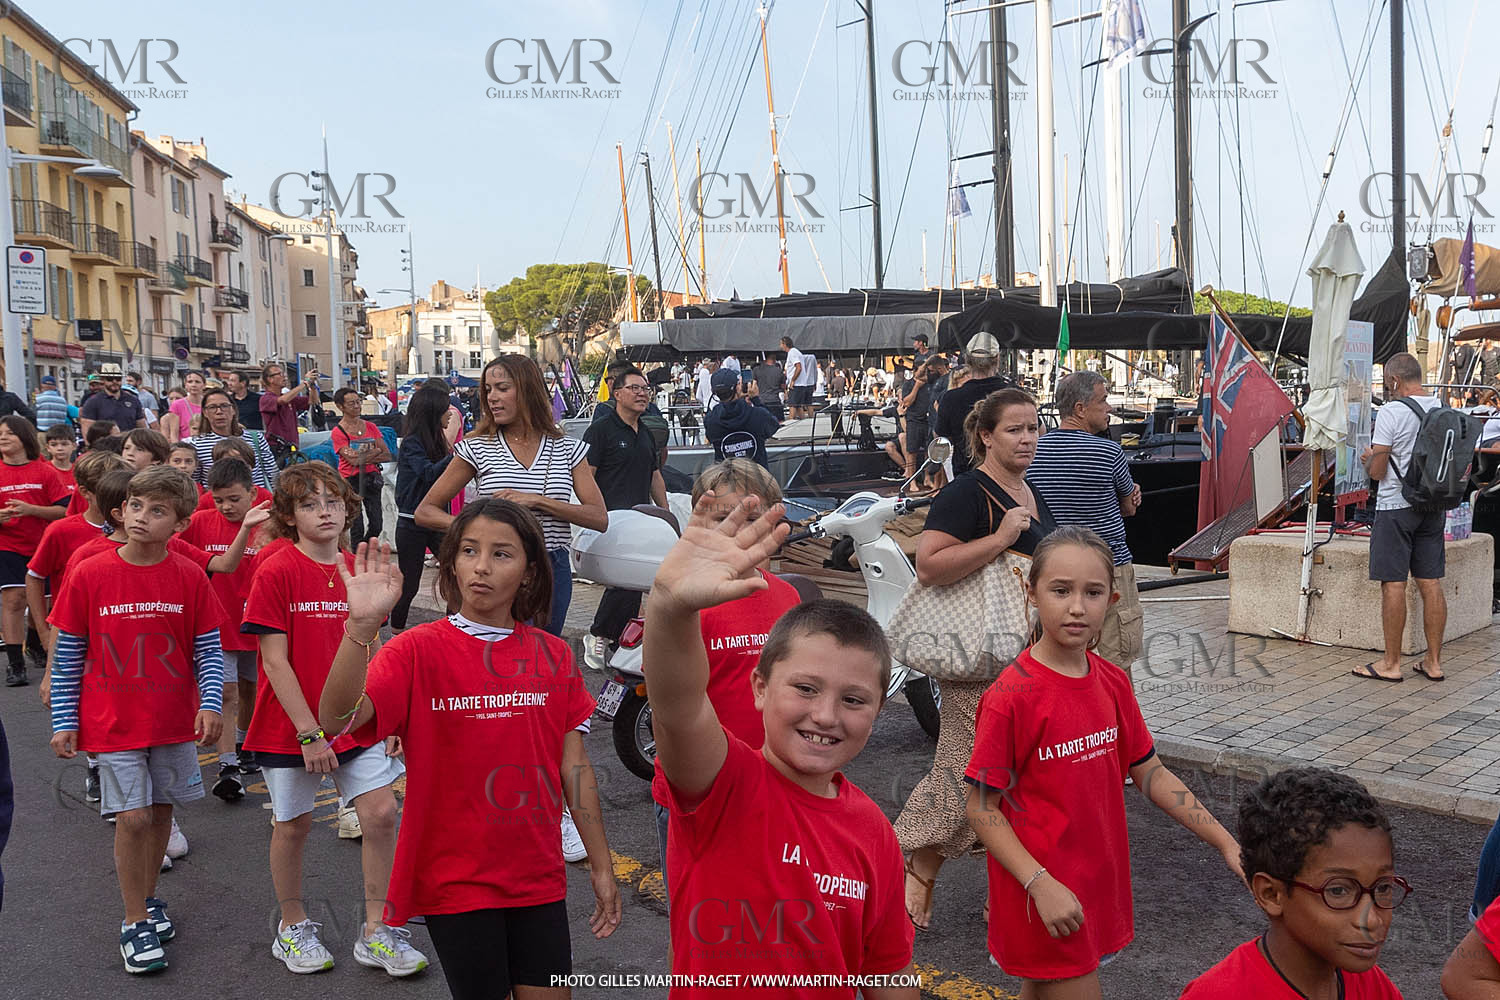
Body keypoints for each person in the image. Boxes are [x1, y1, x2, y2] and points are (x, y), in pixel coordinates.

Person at [317, 501, 622, 999]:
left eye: (501, 554)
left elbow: (576, 768)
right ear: (453, 564)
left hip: (537, 875)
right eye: (469, 551)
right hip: (454, 878)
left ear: (528, 572)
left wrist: (602, 865)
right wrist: (360, 630)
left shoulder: (553, 654)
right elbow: (338, 718)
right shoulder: (414, 650)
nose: (481, 566)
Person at [646, 491, 917, 996]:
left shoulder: (874, 832)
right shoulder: (722, 786)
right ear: (760, 688)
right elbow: (678, 705)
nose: (826, 715)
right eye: (806, 689)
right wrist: (669, 605)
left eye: (854, 700)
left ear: (880, 710)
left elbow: (887, 969)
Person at [967, 526, 1243, 997]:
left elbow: (1151, 772)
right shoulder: (1010, 697)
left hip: (1093, 888)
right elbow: (981, 808)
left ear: (1112, 600)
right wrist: (1040, 883)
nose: (1077, 606)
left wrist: (1223, 840)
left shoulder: (1112, 681)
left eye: (1092, 592)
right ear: (1029, 591)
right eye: (1061, 590)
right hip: (1044, 895)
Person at [240, 462, 424, 977]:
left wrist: (389, 716)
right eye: (309, 503)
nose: (324, 511)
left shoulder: (354, 564)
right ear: (289, 514)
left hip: (356, 721)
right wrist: (309, 733)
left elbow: (376, 646)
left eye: (333, 501)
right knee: (294, 825)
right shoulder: (276, 568)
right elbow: (273, 660)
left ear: (348, 508)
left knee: (382, 814)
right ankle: (292, 927)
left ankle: (376, 930)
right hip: (293, 725)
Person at [46, 466, 226, 974]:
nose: (143, 517)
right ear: (120, 509)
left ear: (181, 524)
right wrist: (65, 718)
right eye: (136, 506)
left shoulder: (189, 575)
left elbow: (207, 649)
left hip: (171, 721)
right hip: (112, 722)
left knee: (163, 813)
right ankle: (133, 920)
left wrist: (210, 702)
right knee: (134, 817)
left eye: (158, 510)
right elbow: (69, 655)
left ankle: (148, 902)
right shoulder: (91, 572)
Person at [897, 388, 1058, 929]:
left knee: (1022, 780)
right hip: (978, 659)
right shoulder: (968, 493)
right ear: (985, 436)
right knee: (967, 773)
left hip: (1030, 656)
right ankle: (918, 862)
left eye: (1033, 427)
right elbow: (930, 564)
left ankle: (1007, 889)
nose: (1028, 438)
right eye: (1015, 429)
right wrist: (1000, 538)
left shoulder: (1032, 489)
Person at [646, 461, 804, 901]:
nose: (739, 531)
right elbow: (670, 699)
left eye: (753, 518)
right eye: (723, 518)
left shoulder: (788, 596)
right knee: (699, 917)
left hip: (776, 790)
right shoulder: (685, 603)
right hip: (702, 793)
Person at [416, 355, 608, 638]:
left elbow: (599, 518)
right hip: (495, 565)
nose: (492, 398)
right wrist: (476, 531)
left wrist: (537, 501)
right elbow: (425, 511)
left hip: (551, 564)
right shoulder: (478, 447)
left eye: (502, 388)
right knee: (491, 654)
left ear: (528, 389)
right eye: (488, 390)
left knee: (542, 657)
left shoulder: (568, 448)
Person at [1185, 769, 1406, 999]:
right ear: (1271, 894)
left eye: (1383, 887)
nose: (1372, 920)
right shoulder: (1220, 994)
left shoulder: (1372, 986)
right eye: (1338, 891)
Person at [1027, 371, 1145, 678]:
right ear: (1080, 409)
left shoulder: (1034, 453)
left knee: (1060, 665)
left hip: (1056, 573)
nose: (1109, 408)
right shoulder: (1110, 452)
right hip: (1108, 571)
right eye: (1103, 400)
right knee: (1115, 668)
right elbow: (1128, 507)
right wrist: (1132, 499)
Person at [180, 458, 274, 803]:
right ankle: (227, 765)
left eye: (234, 498)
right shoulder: (201, 522)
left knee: (252, 690)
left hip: (256, 624)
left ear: (252, 493)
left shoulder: (270, 523)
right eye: (219, 500)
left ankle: (243, 741)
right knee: (226, 691)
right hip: (215, 625)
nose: (226, 507)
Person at [1355, 352, 1446, 683]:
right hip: (1433, 504)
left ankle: (1391, 664)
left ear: (1393, 380)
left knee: (1393, 582)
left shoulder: (1392, 412)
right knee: (1430, 582)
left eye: (1387, 381)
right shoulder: (1441, 406)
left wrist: (1368, 459)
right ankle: (1433, 663)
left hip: (1396, 507)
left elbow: (1378, 473)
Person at [582, 367, 667, 647]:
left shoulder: (646, 432)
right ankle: (598, 634)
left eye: (645, 389)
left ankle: (617, 637)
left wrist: (665, 516)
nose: (642, 394)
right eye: (634, 388)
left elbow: (655, 475)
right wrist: (591, 512)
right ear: (617, 394)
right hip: (611, 519)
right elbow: (585, 475)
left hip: (641, 520)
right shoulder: (601, 431)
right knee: (623, 581)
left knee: (635, 580)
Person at [0, 417, 70, 686]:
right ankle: (15, 664)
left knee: (42, 601)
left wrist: (32, 510)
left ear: (24, 437)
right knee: (14, 599)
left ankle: (35, 642)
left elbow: (64, 510)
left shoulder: (44, 471)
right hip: (8, 546)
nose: (3, 437)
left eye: (9, 433)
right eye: (0, 434)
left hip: (42, 546)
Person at [391, 385, 459, 632]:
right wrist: (457, 455)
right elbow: (428, 473)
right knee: (409, 584)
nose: (451, 414)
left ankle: (455, 626)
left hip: (437, 522)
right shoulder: (412, 443)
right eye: (446, 410)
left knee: (456, 572)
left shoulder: (437, 440)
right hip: (411, 522)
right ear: (432, 412)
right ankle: (396, 630)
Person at [935, 333, 1010, 476]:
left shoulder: (951, 398)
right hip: (1007, 477)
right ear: (997, 359)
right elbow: (1039, 433)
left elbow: (941, 438)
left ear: (967, 360)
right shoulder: (1015, 395)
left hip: (966, 478)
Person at [331, 386, 392, 544]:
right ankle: (357, 555)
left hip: (371, 478)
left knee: (376, 523)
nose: (357, 406)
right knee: (355, 523)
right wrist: (374, 453)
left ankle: (364, 549)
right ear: (340, 406)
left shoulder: (370, 426)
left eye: (359, 402)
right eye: (352, 403)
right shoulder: (339, 432)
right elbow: (353, 461)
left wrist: (362, 456)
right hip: (350, 479)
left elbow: (386, 454)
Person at [190, 387, 278, 489]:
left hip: (258, 500)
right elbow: (195, 483)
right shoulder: (197, 444)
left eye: (224, 406)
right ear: (205, 412)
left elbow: (272, 473)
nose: (219, 411)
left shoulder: (256, 438)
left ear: (233, 410)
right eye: (212, 407)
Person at [703, 367, 780, 467]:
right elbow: (773, 425)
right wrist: (756, 399)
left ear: (714, 391)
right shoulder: (756, 414)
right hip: (758, 478)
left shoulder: (710, 420)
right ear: (737, 387)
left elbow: (710, 437)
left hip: (726, 479)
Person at [259, 363, 316, 468]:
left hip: (292, 447)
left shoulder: (290, 399)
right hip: (277, 448)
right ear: (270, 379)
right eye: (279, 374)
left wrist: (312, 386)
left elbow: (312, 402)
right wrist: (305, 382)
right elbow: (283, 400)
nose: (284, 376)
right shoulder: (266, 399)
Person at [80, 364, 146, 435]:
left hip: (128, 443)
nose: (114, 382)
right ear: (103, 380)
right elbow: (87, 428)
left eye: (118, 379)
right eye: (110, 379)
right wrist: (89, 445)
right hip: (104, 444)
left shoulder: (133, 400)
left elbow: (141, 427)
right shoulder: (93, 402)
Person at [161, 372, 205, 442]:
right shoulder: (177, 405)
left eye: (197, 382)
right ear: (186, 385)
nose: (193, 385)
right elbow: (174, 434)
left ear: (204, 385)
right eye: (190, 382)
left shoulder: (208, 403)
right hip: (186, 446)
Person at [782, 335, 816, 419]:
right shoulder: (797, 352)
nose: (780, 346)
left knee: (792, 405)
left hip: (796, 384)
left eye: (781, 344)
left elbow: (798, 367)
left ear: (784, 344)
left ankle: (791, 421)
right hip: (802, 384)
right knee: (798, 406)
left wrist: (793, 380)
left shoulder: (792, 353)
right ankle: (804, 423)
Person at [43, 424, 77, 507]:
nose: (59, 448)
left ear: (74, 446)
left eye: (64, 444)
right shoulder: (43, 470)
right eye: (54, 445)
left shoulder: (80, 471)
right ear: (48, 448)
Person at [753, 354, 786, 421]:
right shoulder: (779, 371)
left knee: (761, 423)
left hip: (761, 401)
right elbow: (783, 387)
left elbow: (754, 386)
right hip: (775, 401)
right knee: (780, 423)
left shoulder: (756, 370)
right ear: (774, 358)